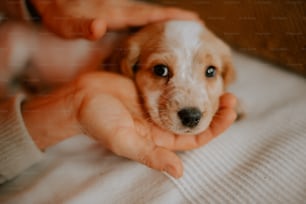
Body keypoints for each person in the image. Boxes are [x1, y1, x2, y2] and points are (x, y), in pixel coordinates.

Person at [0, 0, 237, 183]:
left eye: (209, 72)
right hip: (18, 45)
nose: (191, 107)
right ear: (127, 66)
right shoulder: (124, 54)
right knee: (11, 38)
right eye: (161, 70)